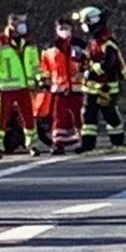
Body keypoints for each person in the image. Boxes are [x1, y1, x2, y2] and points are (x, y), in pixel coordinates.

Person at [0, 13, 42, 158]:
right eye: (21, 21)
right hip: (3, 88)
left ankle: (32, 145)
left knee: (28, 118)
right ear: (12, 23)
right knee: (1, 119)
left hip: (24, 87)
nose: (24, 25)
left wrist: (38, 80)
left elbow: (35, 65)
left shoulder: (29, 42)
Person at [77, 6, 126, 150]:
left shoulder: (108, 42)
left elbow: (108, 64)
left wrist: (92, 67)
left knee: (110, 114)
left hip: (107, 86)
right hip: (91, 87)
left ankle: (117, 142)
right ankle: (87, 145)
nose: (84, 26)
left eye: (86, 23)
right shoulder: (93, 41)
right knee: (88, 116)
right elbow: (88, 59)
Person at [37, 16, 85, 155]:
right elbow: (44, 68)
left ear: (71, 29)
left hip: (77, 89)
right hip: (58, 90)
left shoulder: (80, 45)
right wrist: (43, 81)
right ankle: (58, 145)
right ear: (56, 30)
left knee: (80, 118)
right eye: (61, 28)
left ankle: (83, 142)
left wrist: (84, 72)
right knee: (58, 119)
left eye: (66, 28)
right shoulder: (50, 49)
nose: (64, 31)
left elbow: (88, 63)